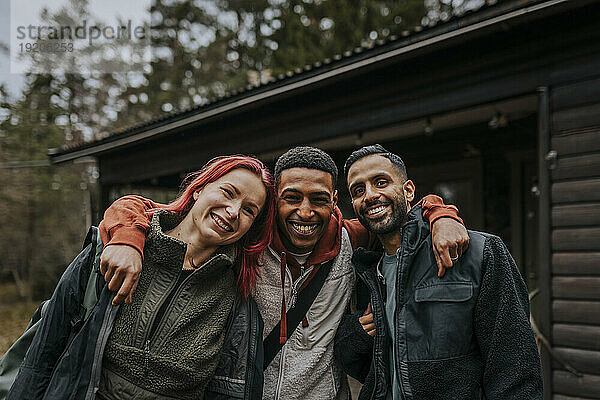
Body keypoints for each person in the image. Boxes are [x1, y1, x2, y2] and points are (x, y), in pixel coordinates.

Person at [95, 146, 469, 400]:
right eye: (292, 198)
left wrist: (440, 213)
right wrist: (128, 239)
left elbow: (402, 213)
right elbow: (144, 208)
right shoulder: (245, 238)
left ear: (334, 201)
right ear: (275, 201)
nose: (305, 212)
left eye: (319, 199)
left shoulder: (352, 240)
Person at [5, 155, 277, 400]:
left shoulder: (236, 301)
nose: (233, 211)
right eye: (228, 193)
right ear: (199, 189)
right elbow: (42, 355)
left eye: (249, 210)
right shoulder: (109, 251)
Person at [335, 144, 543, 399]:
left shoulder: (479, 253)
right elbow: (369, 366)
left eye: (380, 182)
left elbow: (515, 366)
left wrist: (441, 214)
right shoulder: (364, 269)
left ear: (408, 190)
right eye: (358, 190)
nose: (370, 195)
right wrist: (357, 333)